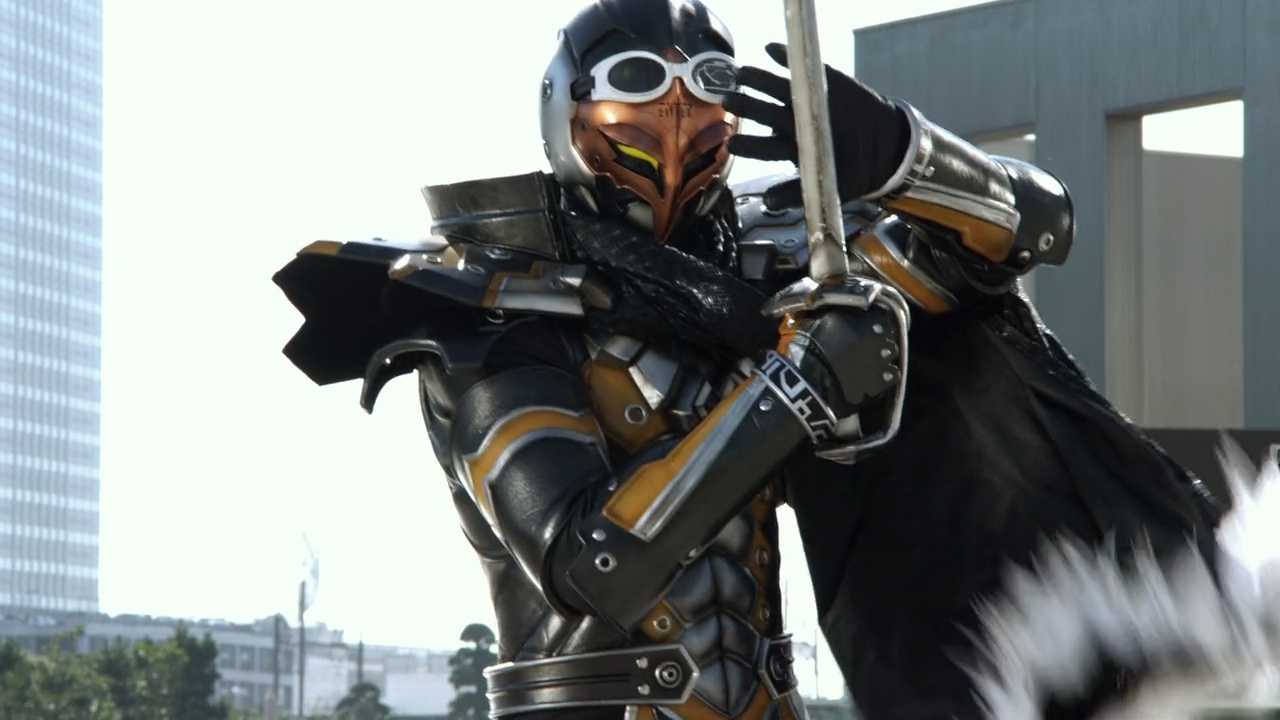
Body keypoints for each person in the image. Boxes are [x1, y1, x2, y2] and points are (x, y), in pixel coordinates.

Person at [275, 1, 1242, 717]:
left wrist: (906, 155)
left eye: (707, 83)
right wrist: (799, 385)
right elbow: (594, 565)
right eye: (637, 83)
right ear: (569, 106)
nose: (676, 111)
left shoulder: (764, 282)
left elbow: (1029, 233)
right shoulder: (487, 306)